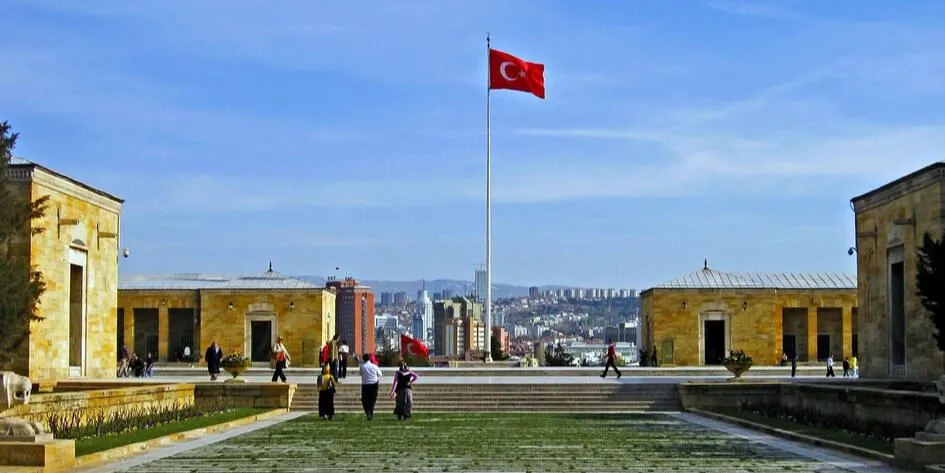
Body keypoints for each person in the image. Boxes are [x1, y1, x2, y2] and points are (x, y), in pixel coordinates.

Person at [358, 353, 383, 420]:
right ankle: (370, 412)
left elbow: (360, 374)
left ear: (363, 359)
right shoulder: (374, 366)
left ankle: (367, 411)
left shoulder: (362, 367)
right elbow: (380, 374)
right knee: (372, 400)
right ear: (369, 358)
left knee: (364, 400)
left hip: (365, 385)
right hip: (374, 384)